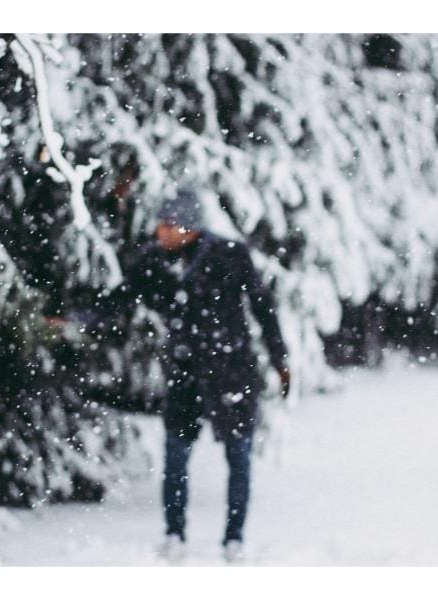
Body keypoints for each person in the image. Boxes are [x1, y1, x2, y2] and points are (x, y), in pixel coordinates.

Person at [94, 183, 291, 563]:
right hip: (184, 373)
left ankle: (234, 539)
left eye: (168, 225)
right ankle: (174, 535)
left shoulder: (230, 255)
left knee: (239, 457)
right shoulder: (153, 261)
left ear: (190, 226)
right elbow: (120, 299)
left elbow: (263, 308)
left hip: (232, 373)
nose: (159, 232)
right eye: (159, 224)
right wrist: (78, 317)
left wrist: (280, 360)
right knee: (176, 456)